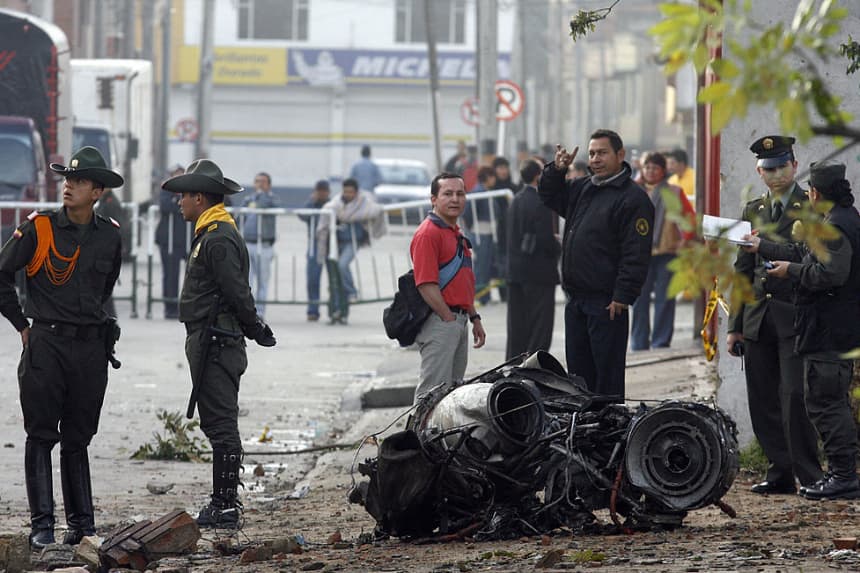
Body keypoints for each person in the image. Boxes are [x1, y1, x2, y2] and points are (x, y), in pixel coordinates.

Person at [0, 146, 123, 548]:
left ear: (98, 191)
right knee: (40, 435)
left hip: (89, 348)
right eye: (67, 179)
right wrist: (22, 325)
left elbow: (105, 289)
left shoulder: (110, 235)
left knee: (78, 437)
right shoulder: (39, 229)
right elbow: (1, 275)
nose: (69, 186)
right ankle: (42, 526)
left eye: (80, 181)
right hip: (46, 343)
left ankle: (82, 525)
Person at [164, 158, 276, 529]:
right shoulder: (210, 232)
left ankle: (225, 505)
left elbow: (236, 291)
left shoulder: (218, 237)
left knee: (222, 425)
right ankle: (222, 502)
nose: (179, 202)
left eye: (184, 196)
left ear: (199, 197)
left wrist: (255, 327)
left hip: (218, 341)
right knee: (217, 422)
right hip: (210, 338)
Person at [742, 160, 860, 500]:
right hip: (824, 328)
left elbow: (828, 275)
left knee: (826, 403)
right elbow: (802, 254)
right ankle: (839, 475)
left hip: (830, 330)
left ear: (817, 194)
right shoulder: (832, 222)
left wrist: (790, 271)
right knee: (822, 401)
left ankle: (843, 476)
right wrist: (763, 247)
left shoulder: (837, 226)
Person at [726, 135, 822, 495]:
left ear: (794, 167)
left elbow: (810, 257)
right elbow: (741, 270)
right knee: (762, 397)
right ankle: (779, 470)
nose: (776, 173)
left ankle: (809, 474)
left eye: (782, 165)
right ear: (759, 172)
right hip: (757, 316)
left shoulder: (810, 208)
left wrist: (766, 246)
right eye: (768, 168)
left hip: (795, 314)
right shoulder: (753, 210)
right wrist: (734, 327)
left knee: (795, 396)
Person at [538, 129, 654, 399]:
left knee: (606, 378)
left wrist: (623, 295)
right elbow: (548, 196)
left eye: (602, 153)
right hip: (576, 300)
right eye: (592, 153)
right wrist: (556, 170)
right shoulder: (583, 188)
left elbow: (635, 253)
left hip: (607, 304)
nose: (596, 159)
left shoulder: (633, 199)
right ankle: (584, 433)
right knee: (579, 379)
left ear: (620, 155)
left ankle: (610, 433)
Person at [411, 172, 486, 400]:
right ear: (433, 199)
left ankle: (439, 437)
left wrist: (474, 318)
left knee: (451, 396)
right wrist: (448, 318)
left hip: (458, 321)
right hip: (441, 322)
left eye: (460, 194)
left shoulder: (454, 232)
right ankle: (415, 436)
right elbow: (425, 283)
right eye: (447, 194)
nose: (455, 199)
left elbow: (462, 282)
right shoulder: (428, 234)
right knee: (431, 394)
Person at [630, 151, 695, 351]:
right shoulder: (634, 190)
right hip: (639, 254)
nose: (650, 171)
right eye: (647, 167)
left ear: (663, 171)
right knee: (639, 300)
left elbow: (689, 219)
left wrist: (685, 240)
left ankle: (660, 341)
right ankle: (639, 342)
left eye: (655, 168)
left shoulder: (674, 192)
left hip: (667, 251)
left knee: (665, 298)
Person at [505, 157, 560, 359]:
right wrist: (559, 245)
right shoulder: (541, 202)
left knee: (517, 326)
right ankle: (534, 368)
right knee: (540, 327)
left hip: (516, 273)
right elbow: (545, 239)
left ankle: (513, 366)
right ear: (538, 176)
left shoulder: (516, 200)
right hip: (539, 273)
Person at [317, 178, 384, 324]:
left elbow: (374, 210)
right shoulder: (334, 204)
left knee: (342, 265)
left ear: (356, 192)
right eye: (345, 191)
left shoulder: (364, 202)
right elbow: (325, 221)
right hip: (334, 243)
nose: (348, 194)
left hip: (352, 242)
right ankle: (337, 312)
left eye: (351, 192)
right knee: (335, 279)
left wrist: (351, 219)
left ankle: (352, 292)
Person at [240, 172, 278, 317]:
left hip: (265, 245)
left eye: (263, 181)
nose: (259, 184)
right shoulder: (249, 199)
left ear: (269, 184)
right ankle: (248, 310)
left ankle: (260, 312)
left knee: (263, 281)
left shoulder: (272, 199)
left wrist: (262, 195)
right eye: (257, 181)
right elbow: (240, 216)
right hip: (248, 243)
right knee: (247, 280)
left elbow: (270, 205)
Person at [155, 163, 187, 319]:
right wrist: (178, 202)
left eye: (181, 175)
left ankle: (188, 306)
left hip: (187, 239)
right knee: (170, 274)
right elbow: (166, 206)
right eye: (175, 175)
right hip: (168, 240)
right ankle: (170, 307)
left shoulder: (190, 191)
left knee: (193, 275)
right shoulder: (166, 191)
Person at [462, 165, 496, 304]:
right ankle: (481, 296)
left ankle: (484, 295)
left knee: (485, 265)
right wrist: (472, 229)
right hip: (480, 233)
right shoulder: (479, 192)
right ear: (488, 177)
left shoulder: (484, 191)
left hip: (484, 233)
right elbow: (467, 213)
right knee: (482, 266)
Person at [300, 180, 331, 321]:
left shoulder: (332, 204)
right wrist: (312, 201)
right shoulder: (312, 204)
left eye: (324, 191)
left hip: (331, 245)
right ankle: (313, 309)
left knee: (334, 279)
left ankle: (335, 310)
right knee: (313, 279)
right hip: (314, 245)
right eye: (319, 191)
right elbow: (302, 215)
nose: (322, 194)